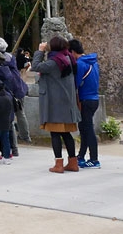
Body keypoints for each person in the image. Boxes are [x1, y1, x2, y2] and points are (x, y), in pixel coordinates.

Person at [33, 37, 81, 173]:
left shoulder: (54, 62)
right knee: (67, 135)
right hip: (68, 103)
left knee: (55, 134)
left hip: (56, 105)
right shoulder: (69, 59)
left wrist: (40, 51)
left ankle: (58, 164)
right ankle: (73, 162)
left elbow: (35, 66)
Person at [0, 36, 25, 157]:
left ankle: (1, 152)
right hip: (9, 96)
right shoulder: (10, 63)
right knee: (9, 123)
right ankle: (13, 150)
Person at [68, 38, 100, 168]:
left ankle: (94, 159)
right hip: (94, 98)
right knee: (84, 128)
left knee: (88, 129)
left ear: (73, 51)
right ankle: (81, 155)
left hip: (85, 99)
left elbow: (75, 82)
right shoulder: (93, 62)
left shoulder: (80, 64)